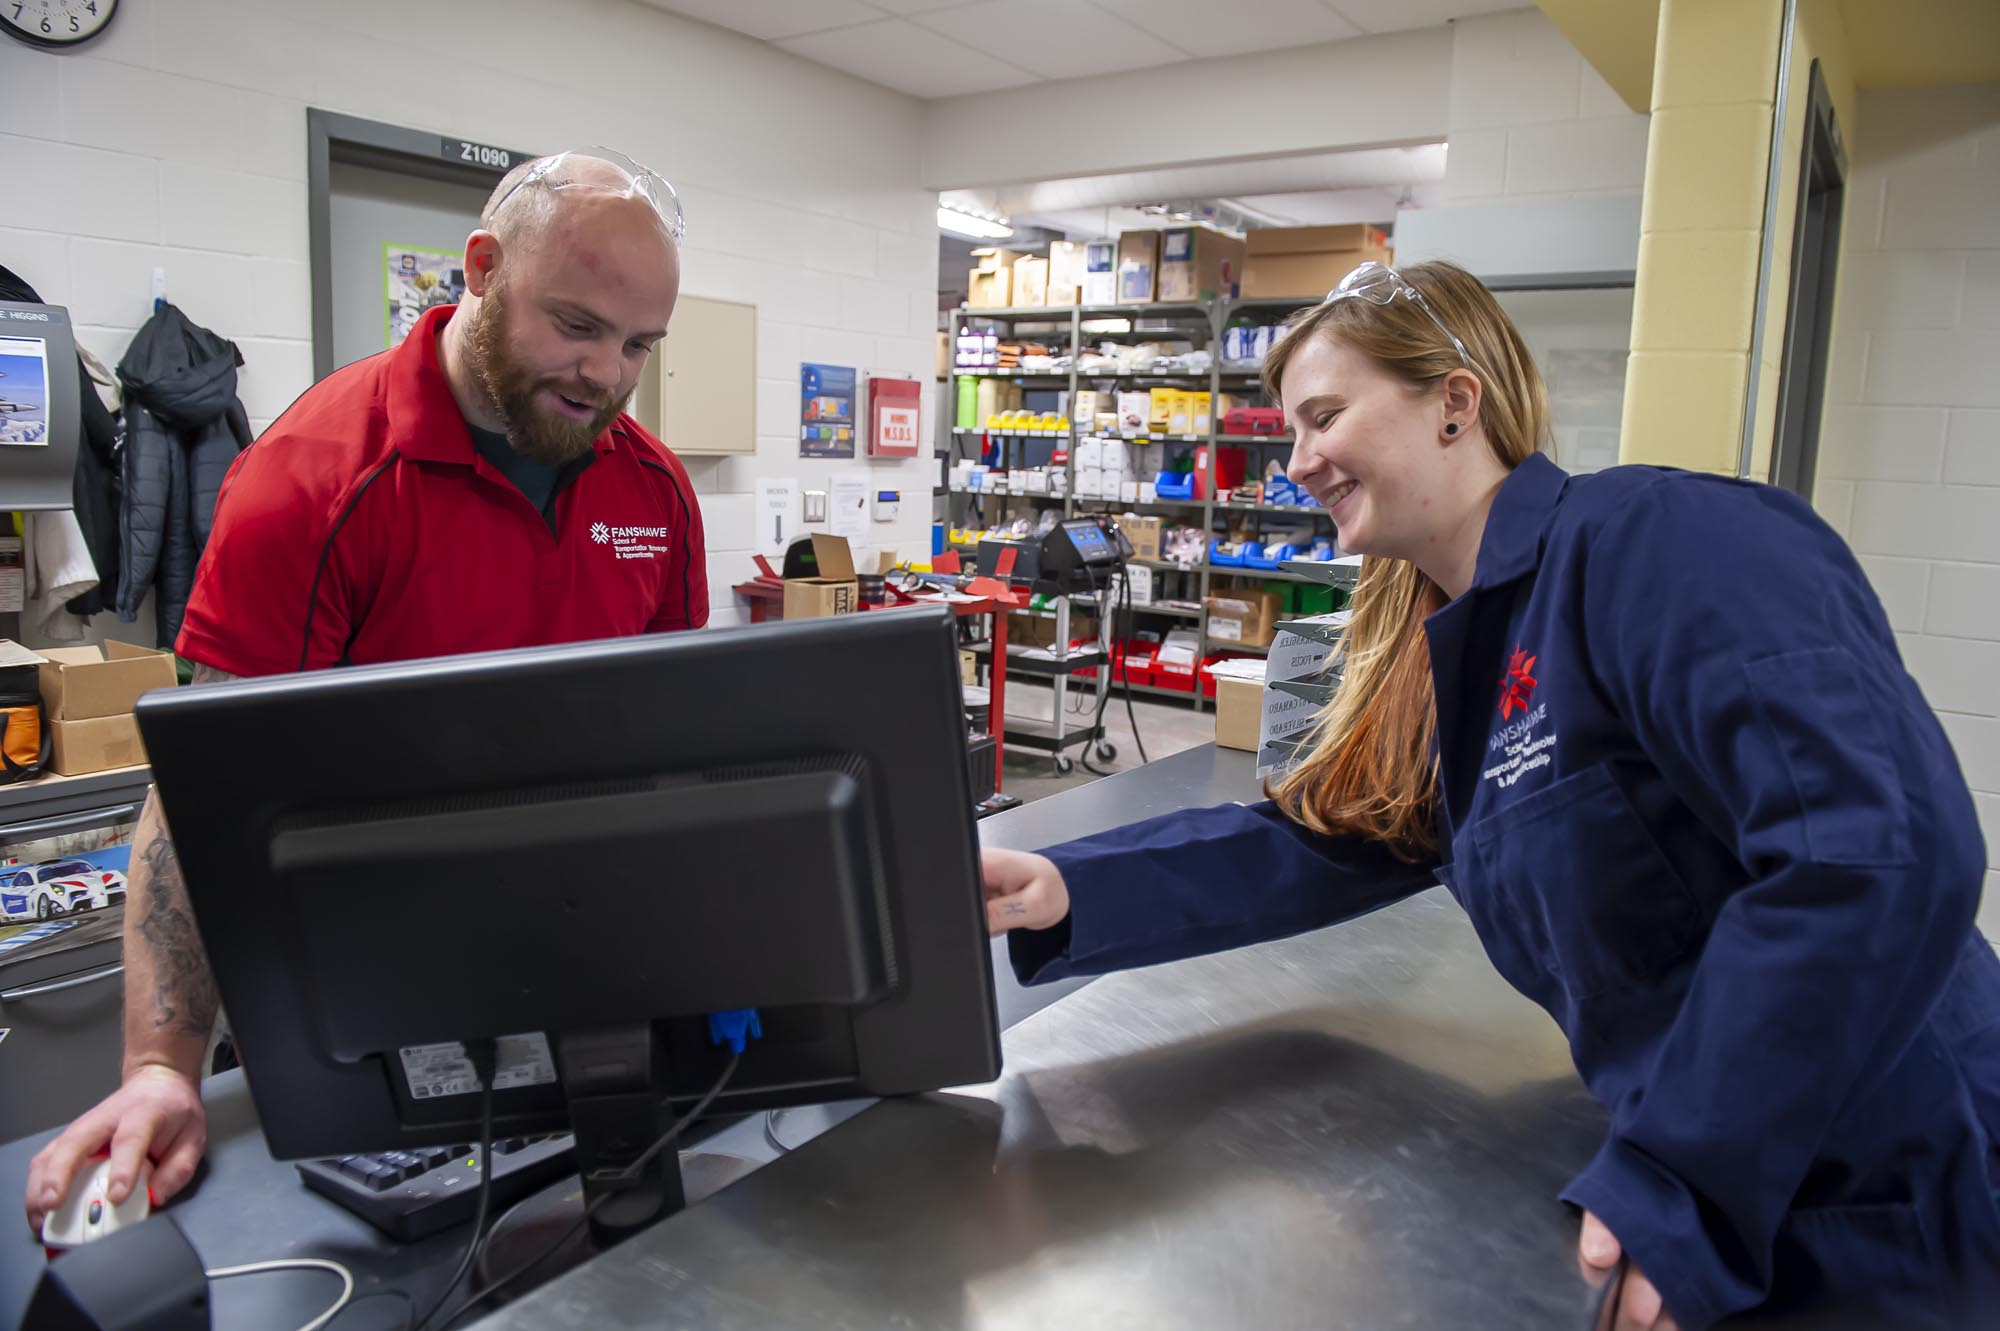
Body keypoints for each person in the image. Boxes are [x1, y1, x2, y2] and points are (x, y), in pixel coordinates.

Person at [983, 261, 1998, 1330]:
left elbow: (1872, 846)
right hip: (1731, 1170)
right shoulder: (1453, 647)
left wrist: (1681, 1177)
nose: (1299, 462)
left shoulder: (1659, 540)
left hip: (1887, 1174)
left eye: (1324, 416)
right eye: (1288, 432)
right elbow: (1329, 844)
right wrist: (1063, 885)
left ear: (1454, 403)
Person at [24, 147, 709, 1235]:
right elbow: (206, 790)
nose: (605, 374)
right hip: (362, 1001)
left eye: (637, 345)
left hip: (589, 972)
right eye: (575, 327)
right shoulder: (313, 480)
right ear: (480, 269)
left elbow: (677, 746)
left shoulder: (654, 489)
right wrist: (162, 1062)